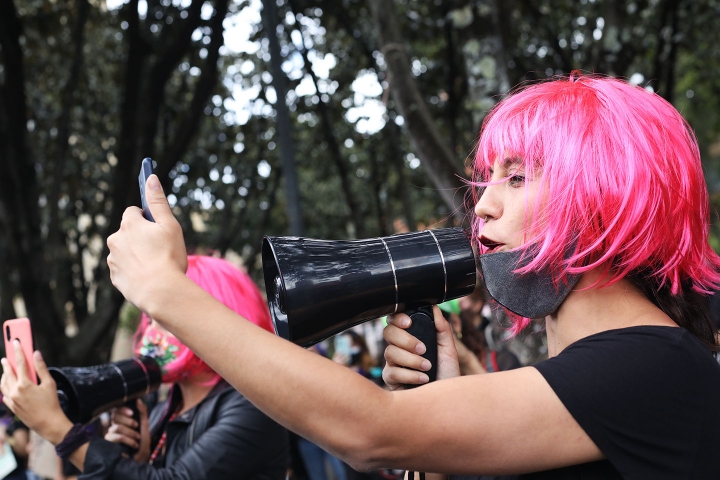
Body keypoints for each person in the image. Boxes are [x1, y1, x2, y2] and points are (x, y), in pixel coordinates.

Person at [48, 72, 720, 478]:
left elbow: (372, 431)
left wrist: (168, 292)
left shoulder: (650, 363)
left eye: (517, 178)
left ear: (608, 192)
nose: (482, 203)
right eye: (489, 179)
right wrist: (445, 404)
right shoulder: (592, 374)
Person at [1, 255, 289, 479]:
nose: (150, 333)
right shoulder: (165, 409)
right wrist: (134, 461)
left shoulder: (254, 406)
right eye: (149, 319)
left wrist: (57, 430)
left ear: (219, 318)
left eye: (163, 319)